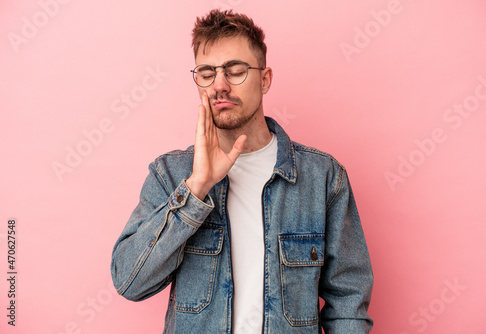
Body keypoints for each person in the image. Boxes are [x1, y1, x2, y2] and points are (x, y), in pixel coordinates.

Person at [111, 9, 373, 334]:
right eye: (206, 73)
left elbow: (348, 299)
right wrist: (196, 188)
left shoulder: (323, 178)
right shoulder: (170, 174)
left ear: (265, 79)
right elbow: (129, 281)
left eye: (235, 70)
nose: (220, 85)